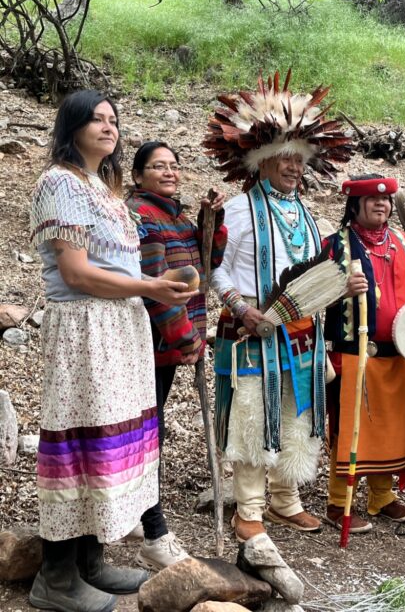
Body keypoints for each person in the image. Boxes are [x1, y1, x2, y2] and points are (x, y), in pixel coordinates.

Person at [28, 90, 192, 612]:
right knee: (81, 439)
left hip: (117, 327)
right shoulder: (59, 183)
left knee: (109, 439)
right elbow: (76, 273)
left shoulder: (101, 187)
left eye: (113, 120)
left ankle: (89, 561)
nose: (108, 126)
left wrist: (150, 286)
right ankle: (54, 579)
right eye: (95, 119)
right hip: (85, 330)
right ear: (71, 127)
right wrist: (150, 286)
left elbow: (115, 269)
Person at [205, 70, 353, 542]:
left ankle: (286, 499)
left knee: (298, 411)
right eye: (283, 158)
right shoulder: (238, 210)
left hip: (301, 328)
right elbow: (214, 268)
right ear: (262, 161)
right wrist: (239, 307)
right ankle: (248, 508)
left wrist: (338, 287)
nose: (292, 166)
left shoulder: (309, 215)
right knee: (252, 415)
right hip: (252, 325)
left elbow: (312, 277)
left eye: (298, 159)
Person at [126, 141, 226, 569]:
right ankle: (153, 527)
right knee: (148, 432)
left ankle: (130, 508)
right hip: (151, 341)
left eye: (174, 165)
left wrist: (212, 224)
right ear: (138, 175)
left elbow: (207, 264)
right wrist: (186, 337)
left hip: (171, 344)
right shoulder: (142, 217)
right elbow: (156, 290)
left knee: (147, 427)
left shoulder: (176, 214)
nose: (169, 172)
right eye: (157, 166)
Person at [323, 175, 405, 533]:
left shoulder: (401, 242)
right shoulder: (335, 245)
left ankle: (381, 497)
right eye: (372, 200)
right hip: (353, 352)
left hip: (400, 352)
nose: (381, 205)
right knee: (348, 427)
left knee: (389, 424)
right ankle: (339, 502)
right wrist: (340, 288)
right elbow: (309, 295)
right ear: (355, 205)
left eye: (385, 201)